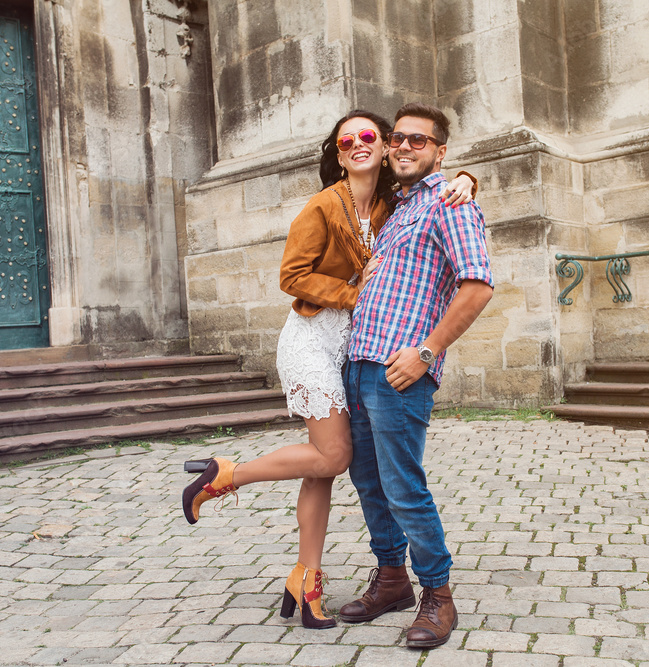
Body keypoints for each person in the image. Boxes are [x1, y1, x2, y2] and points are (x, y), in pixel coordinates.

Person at [180, 109, 477, 629]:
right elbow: (292, 274)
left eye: (371, 136)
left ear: (385, 146)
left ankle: (317, 577)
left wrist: (470, 179)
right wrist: (353, 295)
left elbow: (450, 210)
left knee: (345, 468)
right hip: (320, 340)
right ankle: (228, 476)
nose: (361, 144)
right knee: (339, 459)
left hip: (368, 351)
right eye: (348, 140)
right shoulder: (324, 205)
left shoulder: (400, 201)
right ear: (338, 153)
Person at [340, 103, 494, 649]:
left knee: (404, 487)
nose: (405, 147)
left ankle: (439, 596)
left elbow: (477, 285)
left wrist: (427, 353)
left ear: (440, 151)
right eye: (397, 138)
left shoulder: (449, 204)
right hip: (357, 365)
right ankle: (391, 581)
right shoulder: (397, 207)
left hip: (400, 371)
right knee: (369, 483)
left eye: (418, 140)